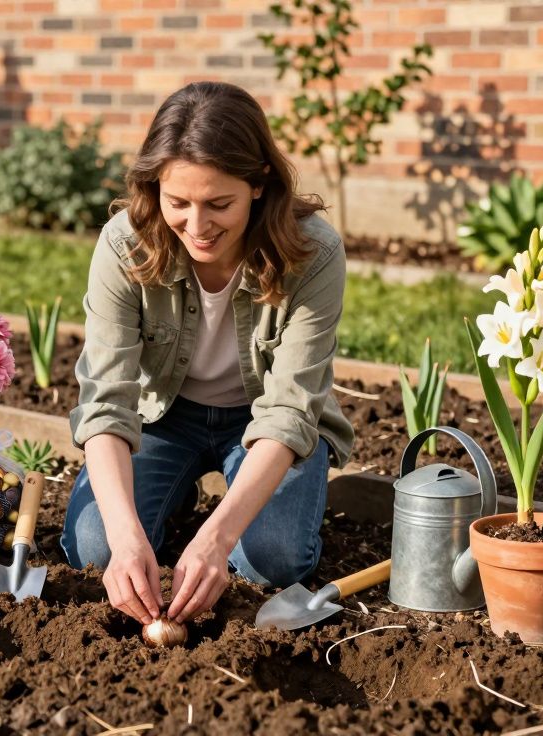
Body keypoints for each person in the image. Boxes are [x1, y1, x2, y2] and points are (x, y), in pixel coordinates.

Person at [61, 81, 356, 626]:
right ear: (155, 188)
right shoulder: (124, 245)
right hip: (162, 416)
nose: (197, 227)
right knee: (97, 550)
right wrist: (126, 539)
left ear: (259, 184)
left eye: (219, 204)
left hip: (263, 421)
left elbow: (290, 410)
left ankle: (202, 526)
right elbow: (106, 401)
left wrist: (217, 539)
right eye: (178, 203)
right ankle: (163, 518)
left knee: (270, 562)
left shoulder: (314, 253)